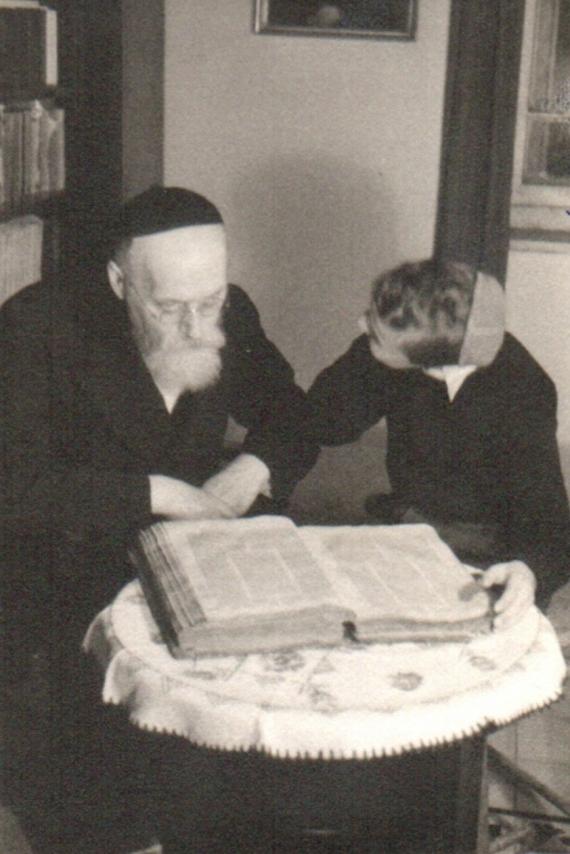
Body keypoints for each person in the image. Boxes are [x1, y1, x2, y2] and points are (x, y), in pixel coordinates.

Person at [0, 185, 317, 848]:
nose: (199, 328)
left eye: (211, 302)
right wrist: (160, 492)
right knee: (97, 800)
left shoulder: (231, 312)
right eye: (170, 308)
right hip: (58, 582)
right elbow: (15, 486)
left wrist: (249, 471)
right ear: (121, 281)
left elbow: (291, 416)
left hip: (185, 565)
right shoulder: (35, 328)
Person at [305, 258, 570, 629]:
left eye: (375, 332)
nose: (360, 324)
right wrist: (365, 361)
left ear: (432, 360)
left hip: (493, 541)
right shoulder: (385, 352)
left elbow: (545, 511)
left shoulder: (522, 389)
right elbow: (322, 422)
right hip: (413, 520)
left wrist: (528, 570)